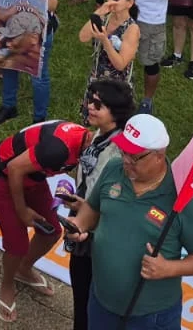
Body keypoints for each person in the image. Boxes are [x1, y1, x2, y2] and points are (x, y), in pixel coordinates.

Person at [65, 113, 193, 330]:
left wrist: (168, 268)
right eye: (124, 152)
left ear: (158, 156)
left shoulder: (183, 199)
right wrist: (80, 224)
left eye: (134, 157)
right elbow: (92, 207)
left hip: (150, 316)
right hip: (101, 300)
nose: (126, 161)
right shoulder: (113, 169)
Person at [0, 118, 91, 322]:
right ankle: (6, 284)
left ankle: (23, 269)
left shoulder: (85, 145)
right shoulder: (58, 148)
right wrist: (22, 210)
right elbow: (14, 168)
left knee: (51, 231)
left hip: (32, 177)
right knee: (17, 243)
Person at [62, 80, 135, 330]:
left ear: (115, 112)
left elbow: (114, 201)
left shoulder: (119, 152)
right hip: (84, 223)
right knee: (81, 297)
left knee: (89, 300)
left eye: (98, 104)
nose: (89, 107)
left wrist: (86, 206)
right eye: (90, 100)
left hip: (96, 236)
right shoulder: (100, 136)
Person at [79, 0, 140, 100]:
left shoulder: (132, 29)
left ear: (130, 3)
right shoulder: (104, 18)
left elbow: (120, 64)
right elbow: (83, 37)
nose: (110, 1)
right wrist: (99, 12)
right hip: (96, 78)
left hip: (116, 87)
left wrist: (105, 41)